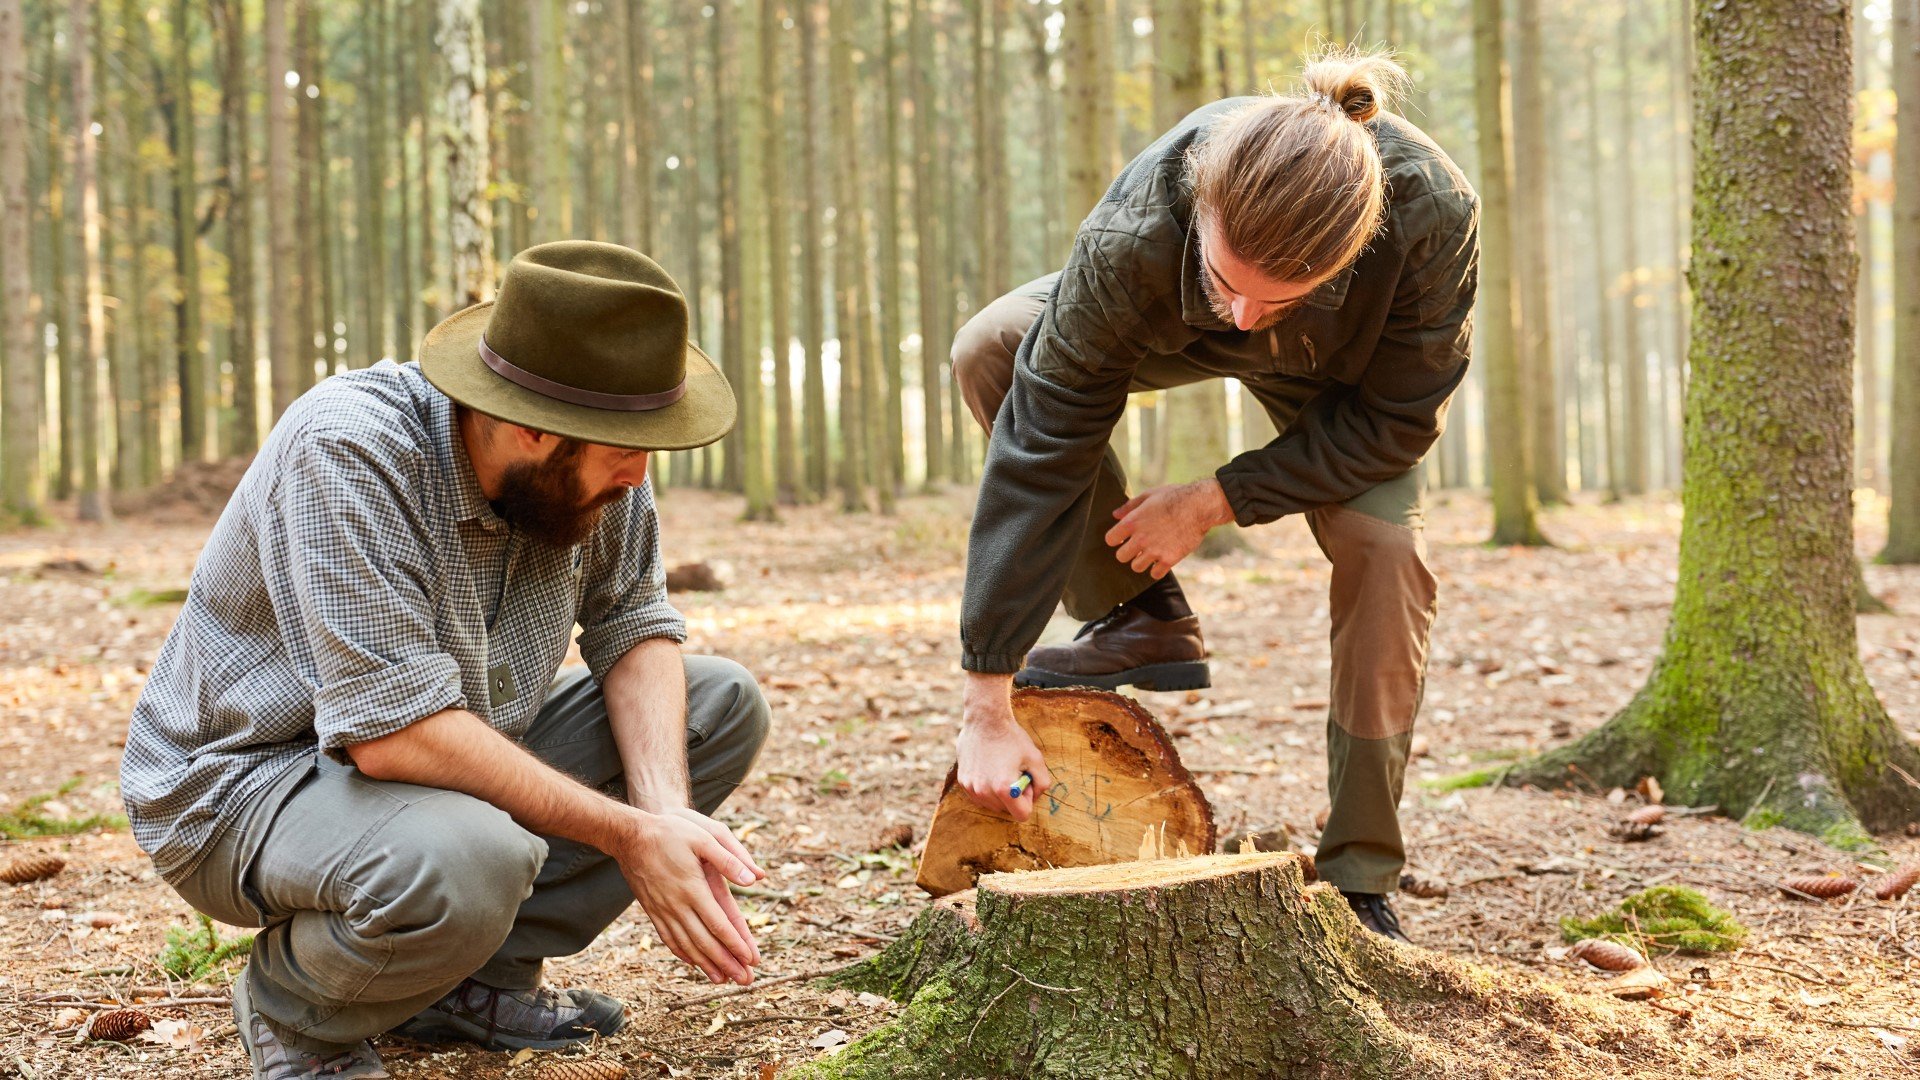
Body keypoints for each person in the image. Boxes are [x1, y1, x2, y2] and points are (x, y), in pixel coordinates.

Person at [120, 242, 771, 1080]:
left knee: (720, 704)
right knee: (469, 858)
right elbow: (394, 735)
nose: (640, 472)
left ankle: (462, 982)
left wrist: (665, 814)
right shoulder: (350, 450)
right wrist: (630, 835)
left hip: (434, 767)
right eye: (624, 448)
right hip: (246, 783)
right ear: (531, 422)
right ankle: (298, 1011)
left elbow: (633, 621)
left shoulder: (601, 448)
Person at [951, 50, 1479, 943]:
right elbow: (1043, 444)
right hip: (1168, 321)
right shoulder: (1136, 227)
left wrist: (1217, 497)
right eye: (1228, 279)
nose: (1243, 317)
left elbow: (1395, 424)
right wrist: (986, 701)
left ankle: (1361, 875)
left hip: (1339, 387)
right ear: (1199, 209)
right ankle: (1137, 614)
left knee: (1387, 556)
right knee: (992, 346)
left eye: (1274, 296)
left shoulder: (1433, 217)